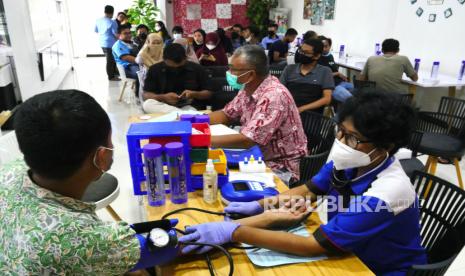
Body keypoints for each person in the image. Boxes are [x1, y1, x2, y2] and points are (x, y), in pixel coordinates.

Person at [178, 91, 427, 275]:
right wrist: (262, 204)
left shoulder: (387, 192)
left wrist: (233, 231)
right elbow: (310, 190)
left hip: (377, 268)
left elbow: (313, 245)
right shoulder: (352, 157)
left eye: (352, 137)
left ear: (386, 146)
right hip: (350, 249)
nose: (340, 141)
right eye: (339, 130)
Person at [0, 90, 178, 273]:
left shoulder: (8, 173)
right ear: (100, 156)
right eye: (110, 139)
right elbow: (162, 251)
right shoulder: (78, 238)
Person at [208, 45, 307, 182]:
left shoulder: (274, 96)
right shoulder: (247, 88)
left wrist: (202, 140)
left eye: (233, 69)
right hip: (254, 156)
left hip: (278, 167)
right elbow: (227, 114)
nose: (229, 72)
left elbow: (248, 140)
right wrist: (192, 120)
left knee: (217, 179)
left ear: (251, 74)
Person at [143, 43, 213, 112]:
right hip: (164, 105)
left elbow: (209, 93)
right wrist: (163, 97)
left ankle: (179, 114)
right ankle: (181, 114)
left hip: (189, 106)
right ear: (164, 59)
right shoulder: (155, 69)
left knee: (191, 110)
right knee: (147, 104)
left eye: (180, 67)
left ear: (185, 58)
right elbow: (146, 95)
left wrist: (194, 94)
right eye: (171, 67)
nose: (175, 69)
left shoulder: (197, 68)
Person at [280, 39, 333, 114]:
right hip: (288, 113)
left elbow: (327, 99)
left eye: (306, 53)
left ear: (317, 56)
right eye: (301, 51)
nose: (301, 54)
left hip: (312, 116)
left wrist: (302, 109)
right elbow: (279, 92)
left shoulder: (325, 71)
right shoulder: (289, 69)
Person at [318, 36, 354, 102]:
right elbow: (321, 75)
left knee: (359, 93)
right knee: (351, 101)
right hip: (331, 85)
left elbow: (334, 69)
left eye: (326, 46)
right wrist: (337, 73)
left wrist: (339, 75)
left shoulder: (330, 56)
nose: (324, 49)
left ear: (330, 46)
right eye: (322, 46)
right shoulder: (317, 58)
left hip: (339, 82)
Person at [112, 24, 140, 94]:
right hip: (127, 68)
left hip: (136, 64)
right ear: (119, 35)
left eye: (129, 33)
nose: (129, 35)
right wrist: (142, 61)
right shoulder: (118, 45)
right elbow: (126, 57)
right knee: (140, 74)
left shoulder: (132, 43)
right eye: (125, 33)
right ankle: (138, 94)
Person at [94, 5, 119, 81]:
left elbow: (96, 30)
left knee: (111, 59)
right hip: (111, 43)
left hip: (102, 43)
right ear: (112, 12)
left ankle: (114, 73)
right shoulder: (112, 22)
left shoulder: (98, 20)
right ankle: (111, 77)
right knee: (110, 60)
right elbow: (115, 34)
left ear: (104, 11)